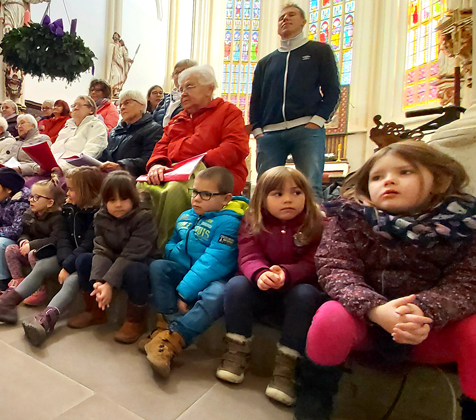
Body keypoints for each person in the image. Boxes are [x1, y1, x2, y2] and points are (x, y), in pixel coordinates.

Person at [298, 141, 476, 420]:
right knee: (330, 316)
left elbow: (474, 281)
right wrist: (375, 309)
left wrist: (423, 310)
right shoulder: (349, 218)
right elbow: (335, 268)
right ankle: (313, 406)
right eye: (377, 177)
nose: (389, 181)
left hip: (428, 329)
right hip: (366, 323)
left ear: (440, 181)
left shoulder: (465, 225)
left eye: (405, 172)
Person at [218, 166, 325, 407]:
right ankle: (236, 351)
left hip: (296, 291)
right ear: (262, 199)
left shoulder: (316, 222)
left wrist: (287, 273)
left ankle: (286, 368)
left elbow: (314, 261)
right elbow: (247, 254)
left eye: (296, 192)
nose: (288, 199)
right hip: (261, 288)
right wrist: (260, 274)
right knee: (236, 286)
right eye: (277, 194)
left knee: (306, 294)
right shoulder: (252, 220)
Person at [144, 167, 249, 378]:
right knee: (158, 267)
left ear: (226, 198)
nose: (196, 199)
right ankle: (166, 327)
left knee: (218, 294)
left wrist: (184, 292)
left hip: (214, 278)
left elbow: (214, 261)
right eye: (194, 192)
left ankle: (174, 339)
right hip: (186, 270)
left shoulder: (229, 222)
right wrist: (173, 252)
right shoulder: (186, 215)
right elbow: (173, 241)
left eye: (206, 194)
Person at [139, 65, 250, 248]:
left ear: (209, 89)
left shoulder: (228, 112)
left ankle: (166, 248)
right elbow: (161, 146)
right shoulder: (178, 119)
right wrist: (156, 165)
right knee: (141, 187)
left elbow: (235, 147)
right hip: (175, 172)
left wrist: (198, 164)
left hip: (217, 175)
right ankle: (140, 246)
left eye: (190, 87)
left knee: (175, 190)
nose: (183, 93)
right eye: (181, 89)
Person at [250, 3, 341, 200]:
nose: (285, 19)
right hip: (270, 135)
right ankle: (262, 231)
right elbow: (256, 99)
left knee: (310, 187)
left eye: (291, 15)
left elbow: (333, 90)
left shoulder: (319, 51)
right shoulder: (266, 62)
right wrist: (257, 130)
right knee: (266, 189)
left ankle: (312, 231)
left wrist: (317, 120)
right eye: (281, 17)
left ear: (303, 22)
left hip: (306, 130)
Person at [70, 171, 158, 344]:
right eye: (112, 200)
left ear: (133, 198)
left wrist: (109, 283)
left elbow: (131, 254)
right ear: (104, 201)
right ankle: (96, 310)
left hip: (138, 259)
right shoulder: (100, 217)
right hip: (114, 260)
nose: (118, 205)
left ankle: (135, 321)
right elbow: (102, 250)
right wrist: (98, 282)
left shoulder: (144, 217)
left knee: (136, 270)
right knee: (84, 260)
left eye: (123, 199)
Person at [0, 176, 66, 319]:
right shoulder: (30, 213)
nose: (31, 200)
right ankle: (17, 282)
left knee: (32, 254)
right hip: (29, 247)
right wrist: (23, 241)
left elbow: (55, 239)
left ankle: (40, 288)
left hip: (45, 249)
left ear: (50, 202)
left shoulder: (57, 217)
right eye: (30, 196)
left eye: (36, 197)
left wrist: (31, 245)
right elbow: (24, 232)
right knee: (11, 249)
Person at [99, 90, 163, 177]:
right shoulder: (115, 132)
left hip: (132, 179)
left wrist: (121, 166)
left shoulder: (154, 129)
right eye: (120, 105)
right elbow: (105, 156)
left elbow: (150, 160)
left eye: (127, 103)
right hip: (111, 177)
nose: (122, 107)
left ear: (142, 105)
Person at [49, 96, 108, 175]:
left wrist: (62, 168)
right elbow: (54, 149)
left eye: (79, 105)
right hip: (52, 168)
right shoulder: (67, 127)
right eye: (74, 105)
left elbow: (90, 154)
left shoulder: (97, 126)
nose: (75, 108)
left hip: (74, 173)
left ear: (91, 110)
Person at [152, 59, 197, 127]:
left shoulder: (197, 100)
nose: (179, 76)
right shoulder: (164, 100)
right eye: (176, 73)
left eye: (183, 72)